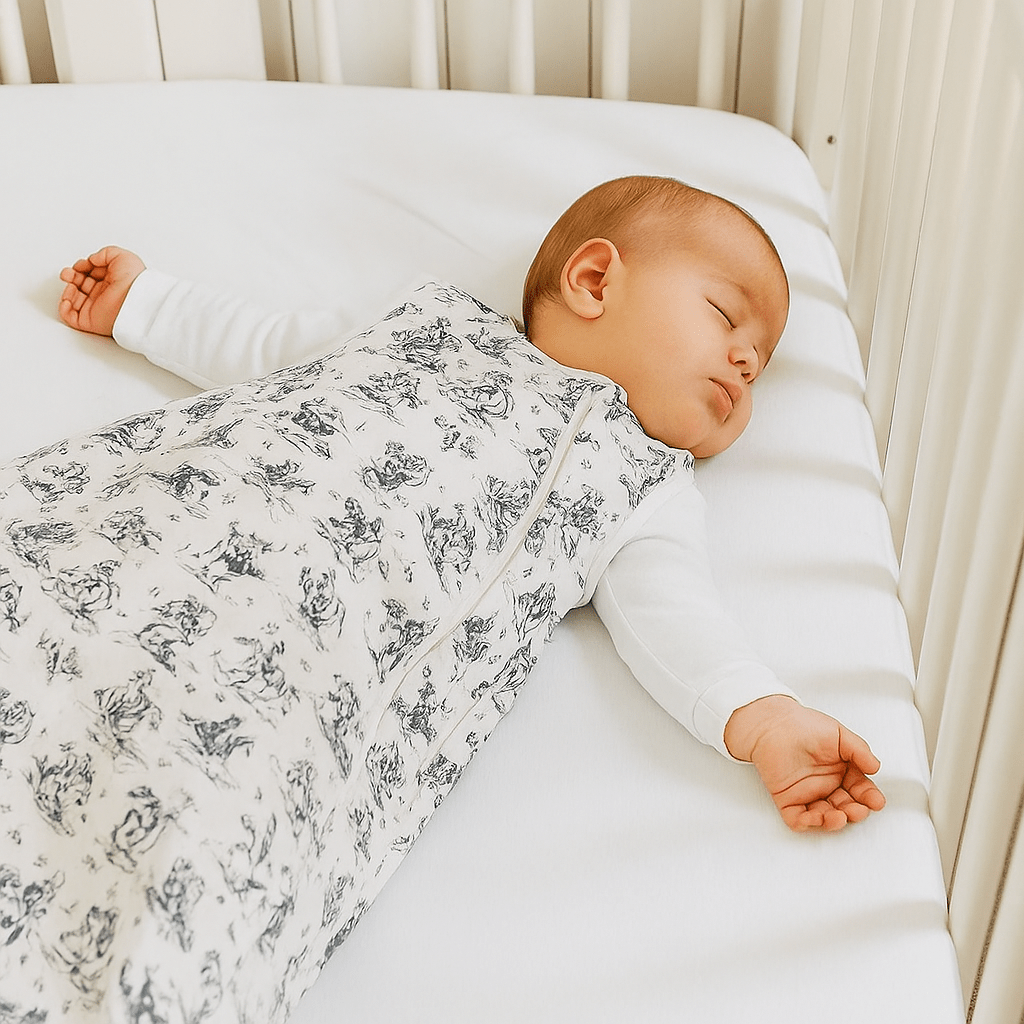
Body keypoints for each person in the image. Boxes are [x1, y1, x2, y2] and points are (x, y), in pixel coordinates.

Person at [0, 174, 881, 1021]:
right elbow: (270, 349)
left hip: (298, 674)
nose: (746, 361)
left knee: (199, 827)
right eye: (726, 316)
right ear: (594, 279)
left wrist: (765, 719)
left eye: (761, 364)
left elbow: (677, 617)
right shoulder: (425, 323)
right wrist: (145, 304)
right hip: (162, 537)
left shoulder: (639, 483)